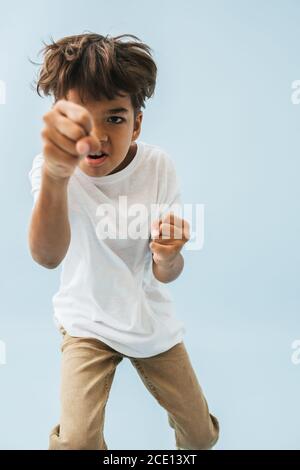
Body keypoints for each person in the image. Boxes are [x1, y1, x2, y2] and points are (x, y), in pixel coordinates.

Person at [28, 32, 219, 450]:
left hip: (148, 319)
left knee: (201, 437)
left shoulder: (157, 167)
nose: (96, 137)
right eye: (81, 118)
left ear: (136, 125)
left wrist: (169, 255)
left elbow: (165, 274)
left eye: (114, 118)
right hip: (86, 322)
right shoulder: (51, 169)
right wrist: (57, 181)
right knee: (77, 442)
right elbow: (46, 256)